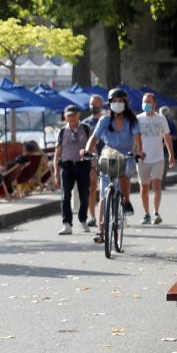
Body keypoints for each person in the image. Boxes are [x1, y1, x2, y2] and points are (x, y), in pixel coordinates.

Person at [84, 88, 142, 244]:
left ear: (125, 103)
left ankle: (127, 201)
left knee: (124, 173)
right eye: (114, 101)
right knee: (103, 196)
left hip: (126, 156)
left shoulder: (132, 121)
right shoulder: (104, 120)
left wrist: (139, 152)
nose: (117, 104)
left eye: (120, 101)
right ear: (109, 104)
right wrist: (87, 150)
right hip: (108, 155)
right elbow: (94, 138)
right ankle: (101, 231)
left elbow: (137, 138)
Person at [136, 92, 175, 225]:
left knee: (156, 185)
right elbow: (134, 139)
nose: (146, 104)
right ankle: (146, 214)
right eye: (144, 101)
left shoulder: (161, 119)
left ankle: (156, 212)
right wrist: (136, 152)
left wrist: (171, 155)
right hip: (142, 158)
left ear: (154, 104)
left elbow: (167, 137)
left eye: (149, 101)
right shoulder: (138, 119)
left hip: (158, 157)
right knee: (144, 187)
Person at [53, 104, 92, 234]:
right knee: (65, 196)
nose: (72, 118)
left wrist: (93, 168)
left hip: (83, 165)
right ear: (65, 117)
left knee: (84, 195)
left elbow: (92, 149)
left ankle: (83, 219)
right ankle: (67, 223)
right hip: (67, 166)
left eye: (74, 115)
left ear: (79, 115)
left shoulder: (86, 129)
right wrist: (55, 173)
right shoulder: (63, 131)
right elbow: (57, 152)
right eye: (69, 116)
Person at [82, 95, 105, 229]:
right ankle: (92, 216)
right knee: (92, 187)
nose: (94, 106)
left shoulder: (107, 120)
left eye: (96, 103)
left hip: (107, 157)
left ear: (101, 105)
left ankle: (111, 214)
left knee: (106, 187)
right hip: (92, 159)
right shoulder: (86, 123)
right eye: (91, 103)